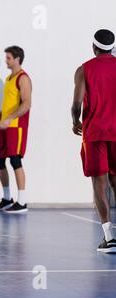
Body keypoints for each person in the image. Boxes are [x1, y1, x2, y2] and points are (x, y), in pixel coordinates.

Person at [71, 29, 116, 253]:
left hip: (95, 132)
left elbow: (76, 104)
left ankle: (109, 237)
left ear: (94, 47)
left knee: (100, 182)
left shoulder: (84, 69)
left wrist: (74, 121)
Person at [0, 46, 32, 213]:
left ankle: (22, 202)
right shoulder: (9, 79)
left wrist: (9, 119)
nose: (6, 61)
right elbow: (8, 106)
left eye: (8, 58)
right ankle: (7, 199)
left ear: (17, 59)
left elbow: (27, 104)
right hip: (4, 125)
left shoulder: (23, 78)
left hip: (16, 126)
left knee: (15, 160)